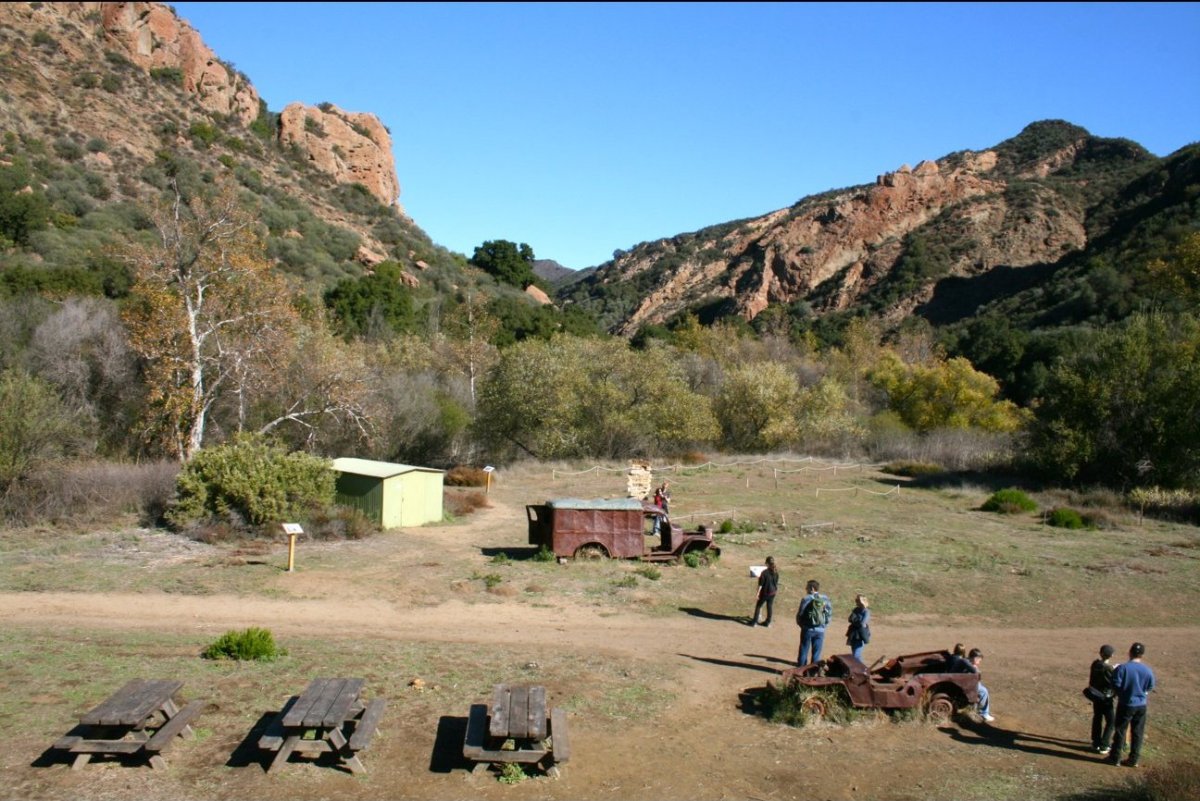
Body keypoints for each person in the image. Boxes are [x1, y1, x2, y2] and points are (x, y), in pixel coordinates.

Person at [1107, 642, 1155, 767]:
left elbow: (1116, 684)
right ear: (1142, 655)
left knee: (1120, 730)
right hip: (1141, 705)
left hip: (1126, 704)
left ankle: (1115, 757)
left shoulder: (1123, 668)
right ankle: (1134, 759)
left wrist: (1122, 694)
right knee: (1138, 732)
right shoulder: (1147, 670)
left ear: (1130, 652)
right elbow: (1150, 686)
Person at [795, 579, 832, 666]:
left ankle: (801, 668)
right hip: (821, 630)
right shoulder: (825, 598)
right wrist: (824, 625)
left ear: (812, 588)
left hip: (807, 629)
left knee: (804, 649)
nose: (805, 589)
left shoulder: (806, 599)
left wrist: (802, 625)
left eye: (807, 587)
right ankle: (813, 671)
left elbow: (800, 614)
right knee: (816, 652)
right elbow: (829, 614)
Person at [1088, 644, 1117, 755]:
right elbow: (1112, 682)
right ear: (1112, 655)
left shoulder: (1095, 664)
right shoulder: (1109, 668)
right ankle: (1105, 744)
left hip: (1096, 695)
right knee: (1111, 721)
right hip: (1106, 698)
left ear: (1100, 653)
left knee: (1097, 717)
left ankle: (1096, 742)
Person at [968, 648, 995, 722]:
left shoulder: (968, 663)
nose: (979, 661)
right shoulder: (971, 666)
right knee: (984, 691)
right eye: (978, 659)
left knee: (983, 689)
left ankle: (979, 710)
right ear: (973, 658)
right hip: (971, 684)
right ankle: (983, 713)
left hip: (971, 682)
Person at [750, 556, 779, 627]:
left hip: (765, 593)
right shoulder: (776, 572)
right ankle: (768, 622)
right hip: (773, 592)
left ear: (767, 563)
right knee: (769, 606)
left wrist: (757, 594)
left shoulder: (764, 573)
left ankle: (755, 622)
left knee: (758, 606)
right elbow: (776, 582)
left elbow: (760, 585)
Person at [846, 594, 870, 661]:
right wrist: (857, 621)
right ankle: (861, 669)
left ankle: (861, 669)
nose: (857, 602)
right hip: (853, 634)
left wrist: (855, 621)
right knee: (855, 654)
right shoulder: (856, 609)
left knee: (856, 655)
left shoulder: (866, 611)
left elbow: (863, 623)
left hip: (861, 634)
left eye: (859, 601)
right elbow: (850, 619)